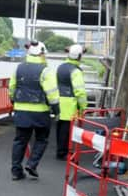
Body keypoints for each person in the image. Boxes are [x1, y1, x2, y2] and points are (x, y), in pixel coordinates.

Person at [9, 40, 60, 180]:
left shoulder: (18, 68)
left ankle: (16, 171)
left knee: (20, 141)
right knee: (41, 139)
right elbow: (52, 94)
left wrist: (14, 102)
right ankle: (32, 164)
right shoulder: (46, 71)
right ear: (42, 54)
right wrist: (57, 111)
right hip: (40, 112)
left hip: (21, 111)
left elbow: (12, 88)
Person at [55, 44, 88, 160]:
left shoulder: (60, 67)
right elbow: (80, 92)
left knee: (60, 128)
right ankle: (64, 153)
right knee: (67, 129)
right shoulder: (76, 71)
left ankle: (60, 151)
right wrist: (84, 107)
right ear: (79, 56)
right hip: (70, 103)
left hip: (59, 101)